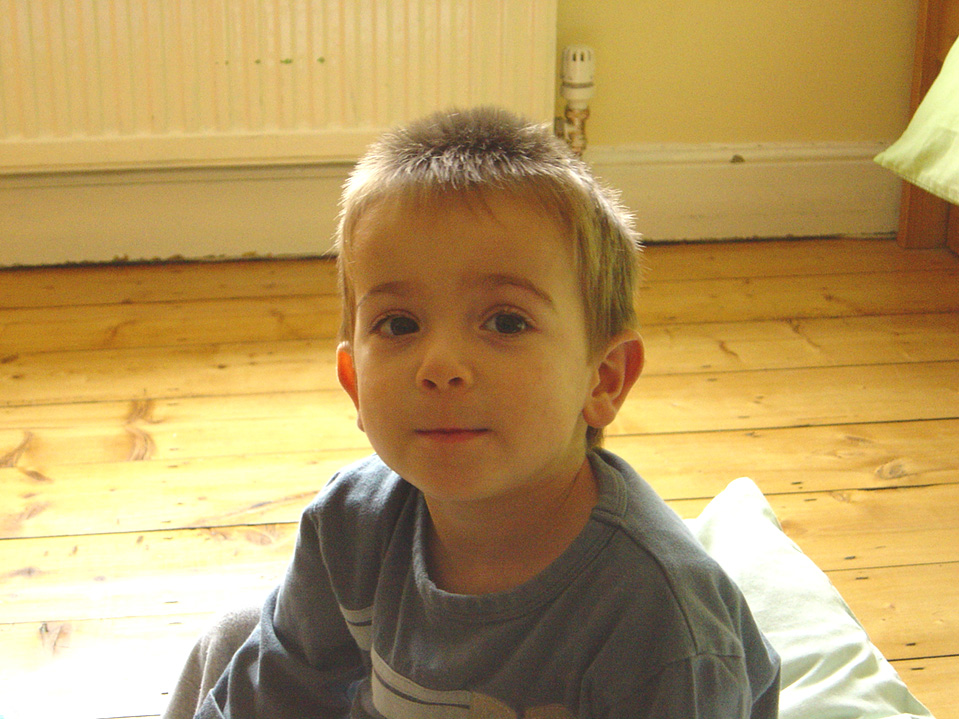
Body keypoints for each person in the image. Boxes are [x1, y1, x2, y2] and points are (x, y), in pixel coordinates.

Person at [170, 106, 780, 719]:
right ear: (354, 382)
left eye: (506, 321)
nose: (440, 364)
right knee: (234, 637)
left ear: (604, 378)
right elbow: (271, 693)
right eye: (399, 324)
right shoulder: (348, 524)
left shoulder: (662, 626)